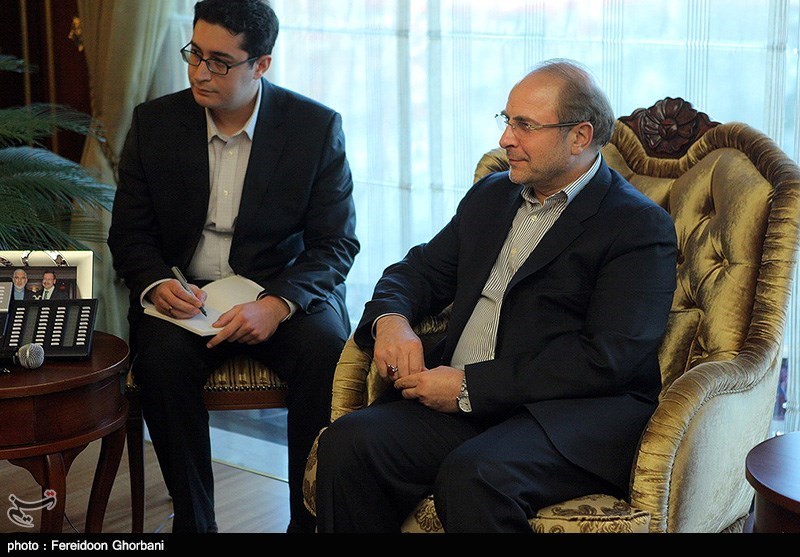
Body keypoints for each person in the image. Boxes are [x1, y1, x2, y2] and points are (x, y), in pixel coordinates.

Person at [314, 59, 677, 533]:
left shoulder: (637, 225)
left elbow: (607, 357)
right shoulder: (491, 196)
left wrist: (470, 387)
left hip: (564, 418)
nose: (506, 139)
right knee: (348, 443)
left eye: (525, 125)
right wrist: (392, 322)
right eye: (507, 120)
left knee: (474, 476)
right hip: (462, 403)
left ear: (579, 137)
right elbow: (416, 272)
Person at [107, 0, 358, 533]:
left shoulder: (314, 128)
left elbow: (335, 243)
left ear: (260, 64)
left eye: (219, 61)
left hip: (281, 287)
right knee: (160, 364)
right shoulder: (155, 123)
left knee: (326, 355)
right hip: (187, 293)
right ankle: (195, 524)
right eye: (195, 54)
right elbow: (130, 234)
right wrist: (155, 283)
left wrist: (278, 304)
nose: (200, 72)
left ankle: (307, 525)